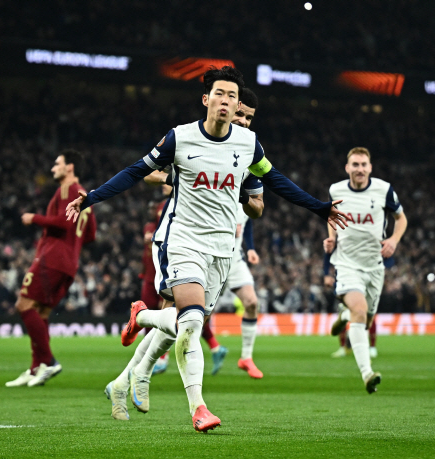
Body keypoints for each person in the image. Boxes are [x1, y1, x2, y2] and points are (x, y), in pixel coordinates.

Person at [66, 66, 347, 431]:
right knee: (192, 320)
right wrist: (91, 198)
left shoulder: (249, 145)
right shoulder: (179, 139)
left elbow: (274, 180)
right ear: (206, 99)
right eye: (220, 93)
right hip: (184, 242)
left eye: (232, 95)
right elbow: (137, 171)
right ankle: (198, 408)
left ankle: (144, 317)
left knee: (188, 327)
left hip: (222, 251)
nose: (226, 101)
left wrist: (319, 207)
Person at [148, 88, 265, 378]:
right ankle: (147, 366)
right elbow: (147, 171)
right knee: (178, 309)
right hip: (185, 240)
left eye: (249, 117)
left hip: (227, 249)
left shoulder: (249, 152)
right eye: (240, 114)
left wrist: (249, 242)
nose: (244, 121)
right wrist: (172, 178)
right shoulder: (193, 141)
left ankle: (243, 356)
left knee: (209, 312)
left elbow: (252, 213)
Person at [5, 150, 96, 388]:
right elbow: (91, 234)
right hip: (70, 263)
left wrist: (34, 218)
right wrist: (71, 246)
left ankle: (49, 360)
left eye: (57, 163)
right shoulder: (87, 196)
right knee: (42, 312)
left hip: (53, 258)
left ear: (70, 167)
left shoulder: (67, 189)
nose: (53, 168)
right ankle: (37, 368)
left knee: (23, 305)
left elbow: (63, 222)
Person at [323, 147, 407, 394]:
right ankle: (367, 373)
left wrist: (393, 240)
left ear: (370, 168)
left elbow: (401, 219)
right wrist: (331, 238)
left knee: (365, 318)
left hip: (374, 267)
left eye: (364, 165)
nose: (359, 169)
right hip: (347, 264)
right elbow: (331, 216)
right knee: (360, 310)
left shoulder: (384, 190)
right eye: (355, 164)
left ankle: (346, 317)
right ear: (347, 167)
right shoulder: (336, 190)